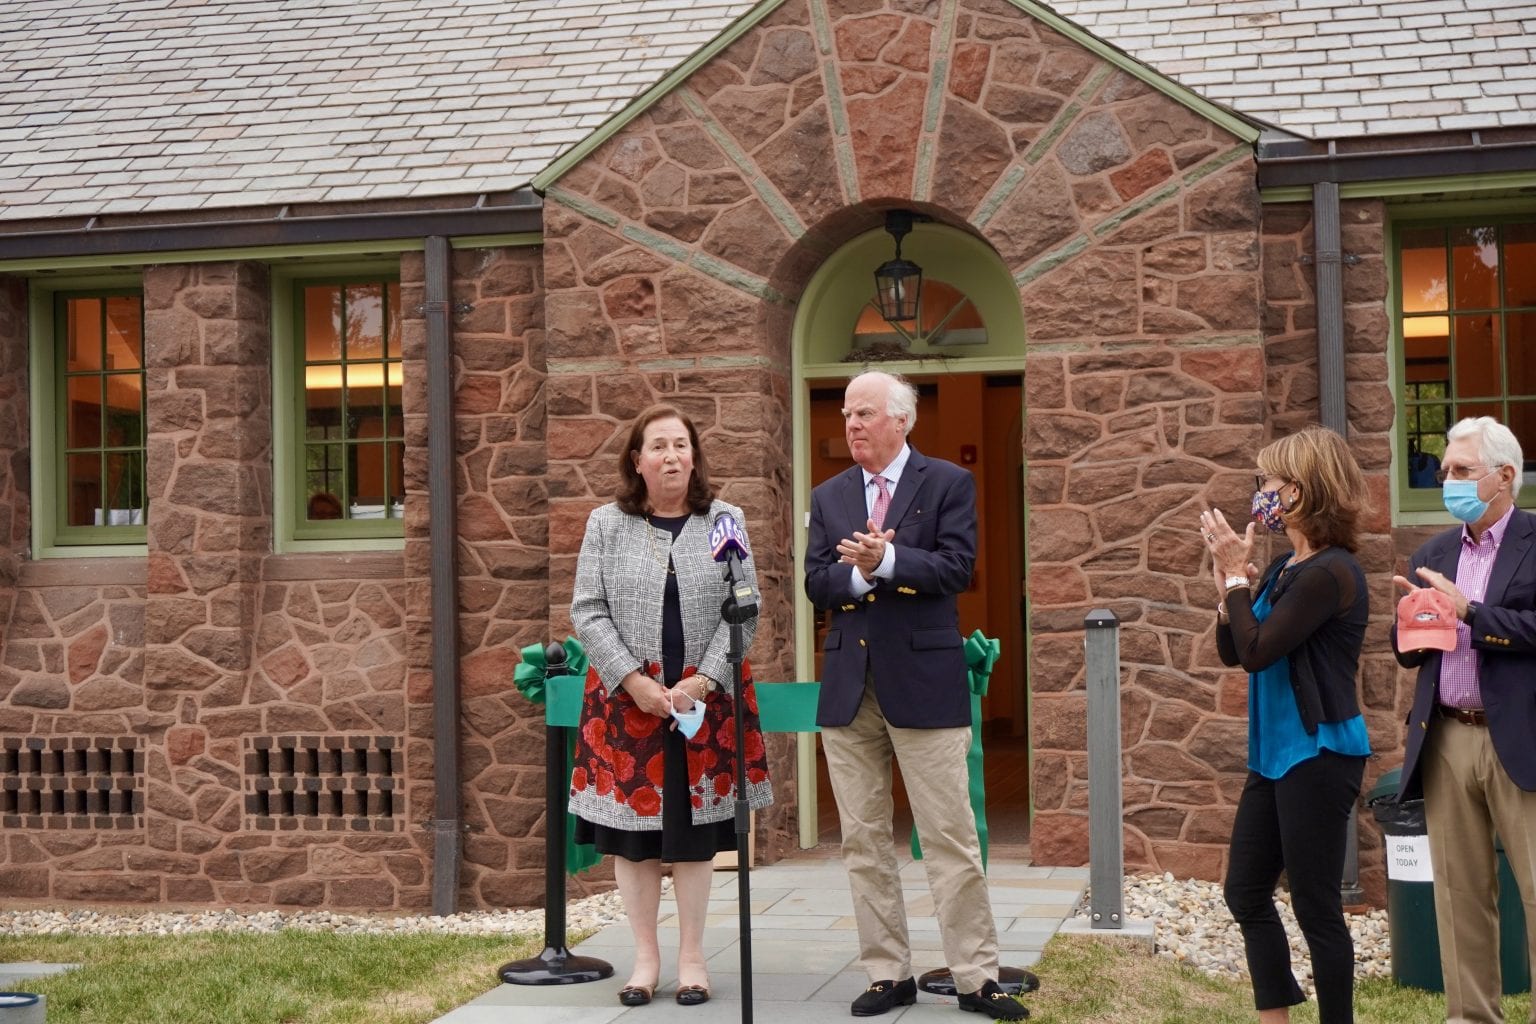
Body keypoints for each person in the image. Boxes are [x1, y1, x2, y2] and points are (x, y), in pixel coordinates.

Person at [804, 370, 1027, 1021]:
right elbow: (816, 581)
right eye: (848, 414)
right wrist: (858, 574)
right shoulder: (829, 494)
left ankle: (976, 976)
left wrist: (888, 562)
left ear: (901, 420)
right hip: (850, 688)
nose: (852, 424)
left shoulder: (947, 483)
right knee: (863, 840)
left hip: (925, 685)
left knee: (949, 836)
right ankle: (887, 974)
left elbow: (957, 568)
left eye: (865, 413)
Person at [567, 404, 773, 1009]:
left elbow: (746, 608)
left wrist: (703, 682)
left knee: (693, 835)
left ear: (695, 456)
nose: (671, 456)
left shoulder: (725, 521)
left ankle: (692, 959)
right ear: (637, 461)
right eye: (658, 446)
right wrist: (633, 682)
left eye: (681, 445)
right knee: (634, 840)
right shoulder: (606, 524)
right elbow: (587, 610)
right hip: (627, 704)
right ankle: (645, 960)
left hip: (701, 706)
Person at [1201, 425, 1372, 1024]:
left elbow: (1258, 652)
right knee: (1246, 891)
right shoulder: (1284, 569)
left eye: (1267, 481)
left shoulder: (1330, 572)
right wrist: (1229, 590)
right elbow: (1234, 648)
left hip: (1319, 753)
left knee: (1315, 905)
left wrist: (1236, 579)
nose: (1261, 492)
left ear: (1298, 491)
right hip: (1274, 754)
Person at [1391, 415, 1536, 1024]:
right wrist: (1413, 622)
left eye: (1461, 470)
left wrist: (1470, 612)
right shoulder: (1433, 552)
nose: (1446, 479)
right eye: (1445, 469)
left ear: (1504, 476)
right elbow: (1410, 652)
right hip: (1447, 735)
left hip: (1520, 738)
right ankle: (1472, 1016)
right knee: (1459, 893)